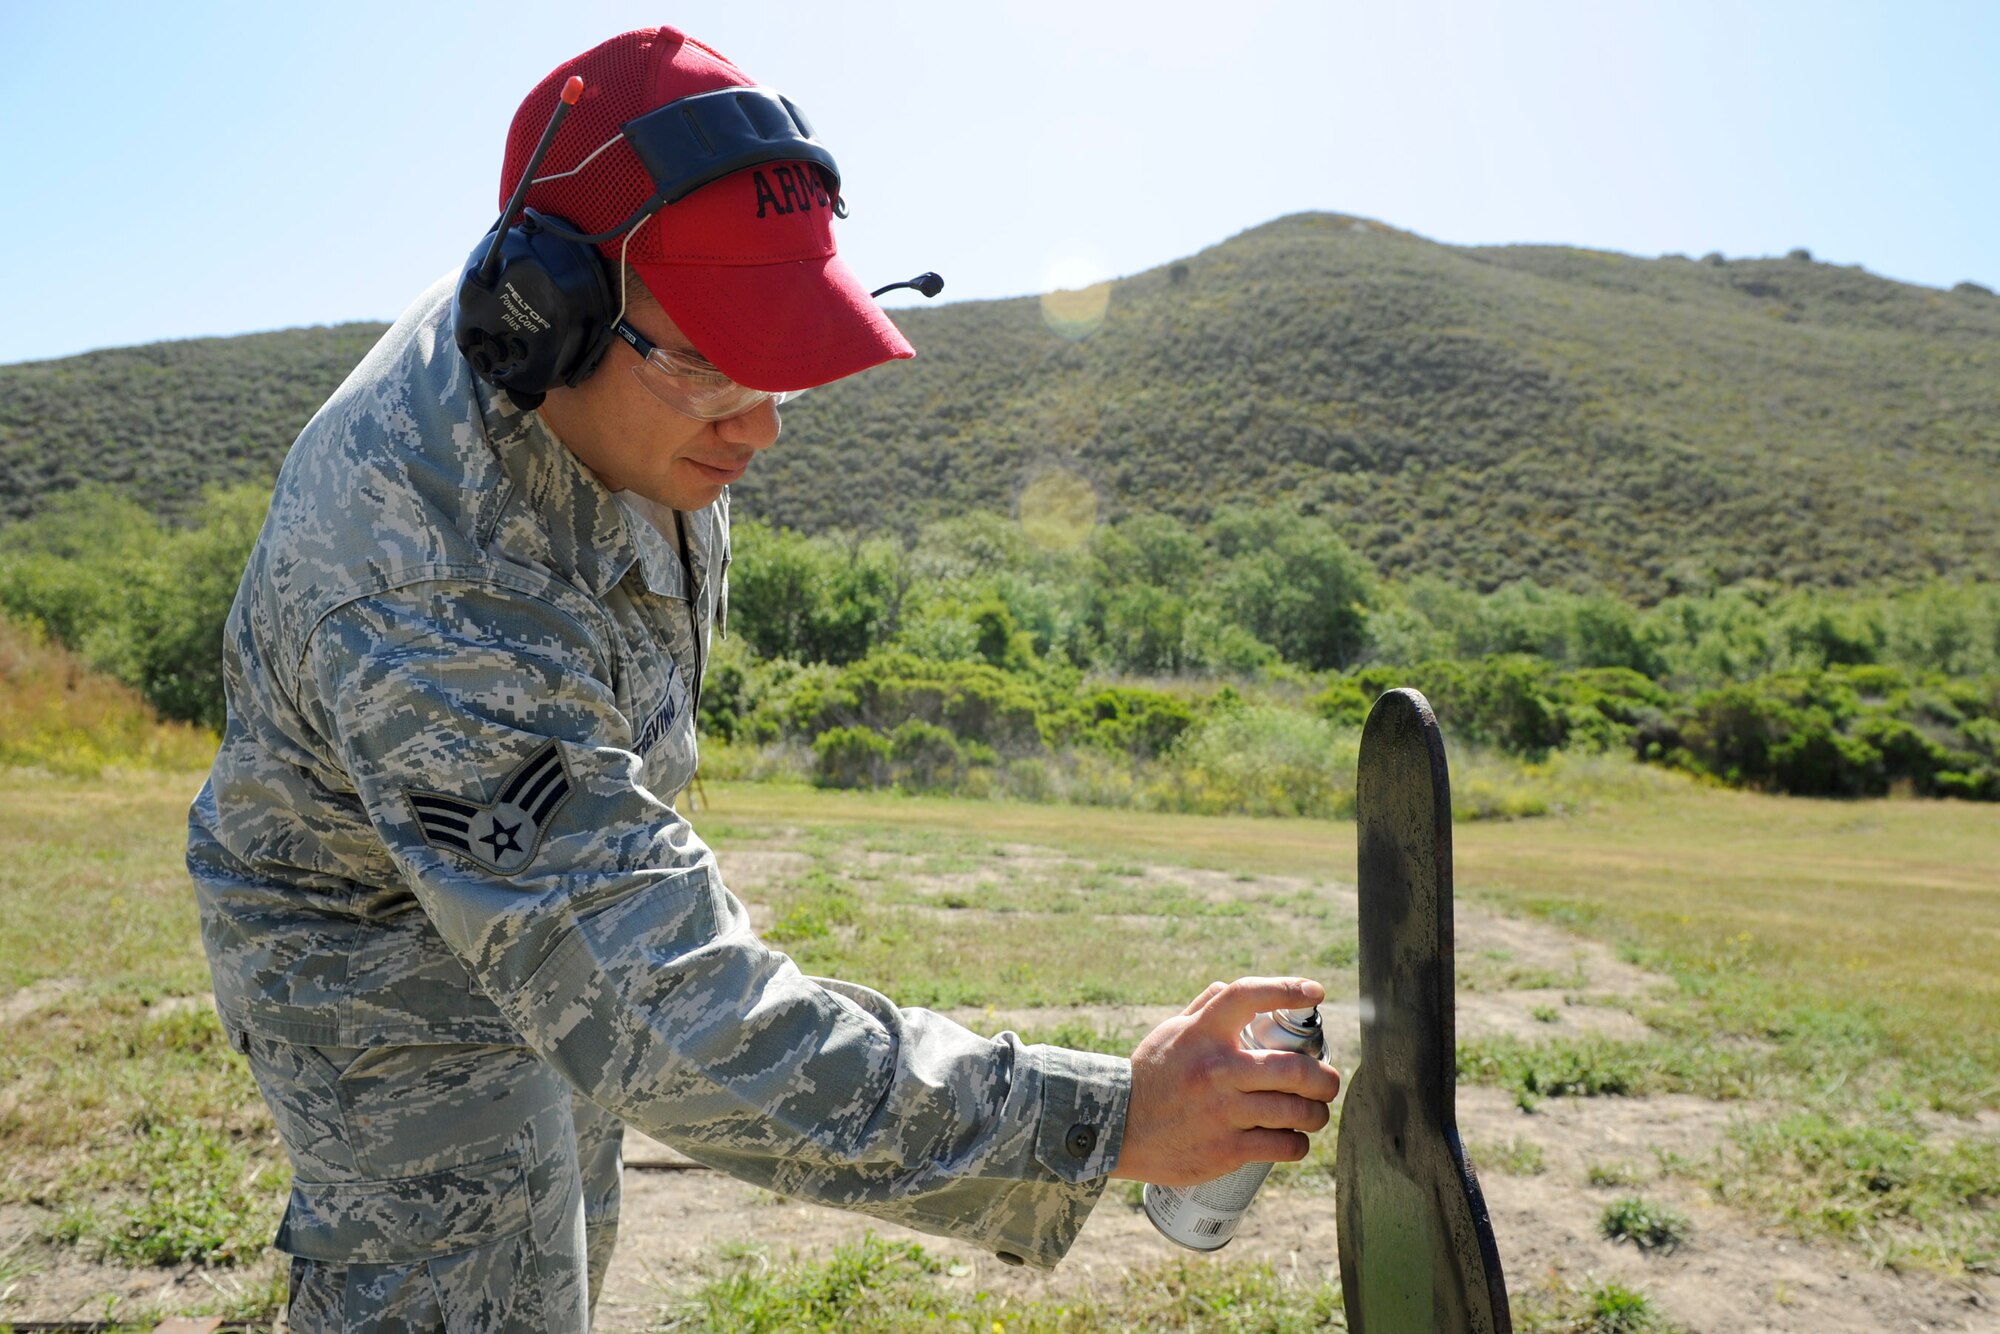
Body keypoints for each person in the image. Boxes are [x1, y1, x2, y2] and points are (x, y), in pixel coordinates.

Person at [187, 25, 1341, 1332]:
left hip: (541, 879)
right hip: (378, 950)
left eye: (782, 361)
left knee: (573, 1223)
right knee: (470, 1284)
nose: (764, 423)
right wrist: (1101, 1119)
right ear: (542, 317)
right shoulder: (415, 565)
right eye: (720, 364)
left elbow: (615, 925)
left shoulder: (639, 407)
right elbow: (664, 1009)